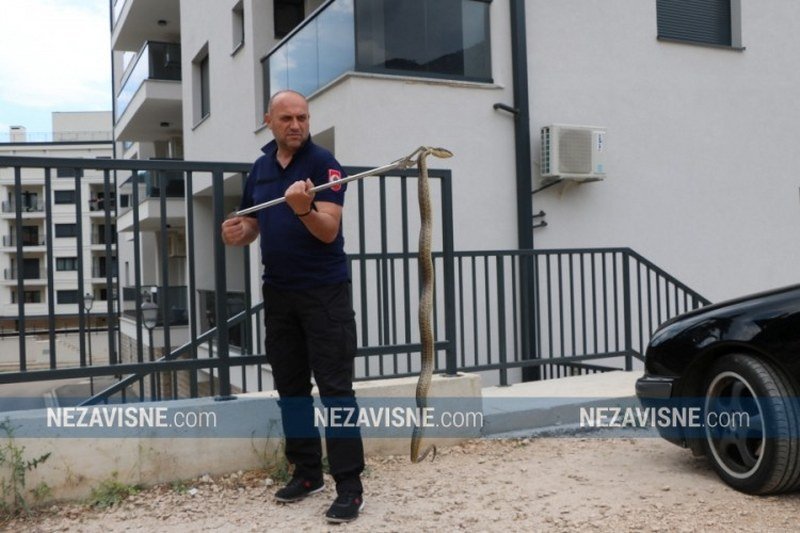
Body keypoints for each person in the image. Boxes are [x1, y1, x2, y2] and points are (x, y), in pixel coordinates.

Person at [221, 90, 365, 523]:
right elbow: (253, 222)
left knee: (336, 390)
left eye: (302, 117)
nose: (296, 125)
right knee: (291, 388)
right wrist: (240, 232)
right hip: (279, 293)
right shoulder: (261, 168)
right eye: (287, 118)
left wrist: (304, 210)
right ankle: (307, 473)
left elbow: (328, 229)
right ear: (269, 120)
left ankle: (349, 487)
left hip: (324, 293)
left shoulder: (324, 164)